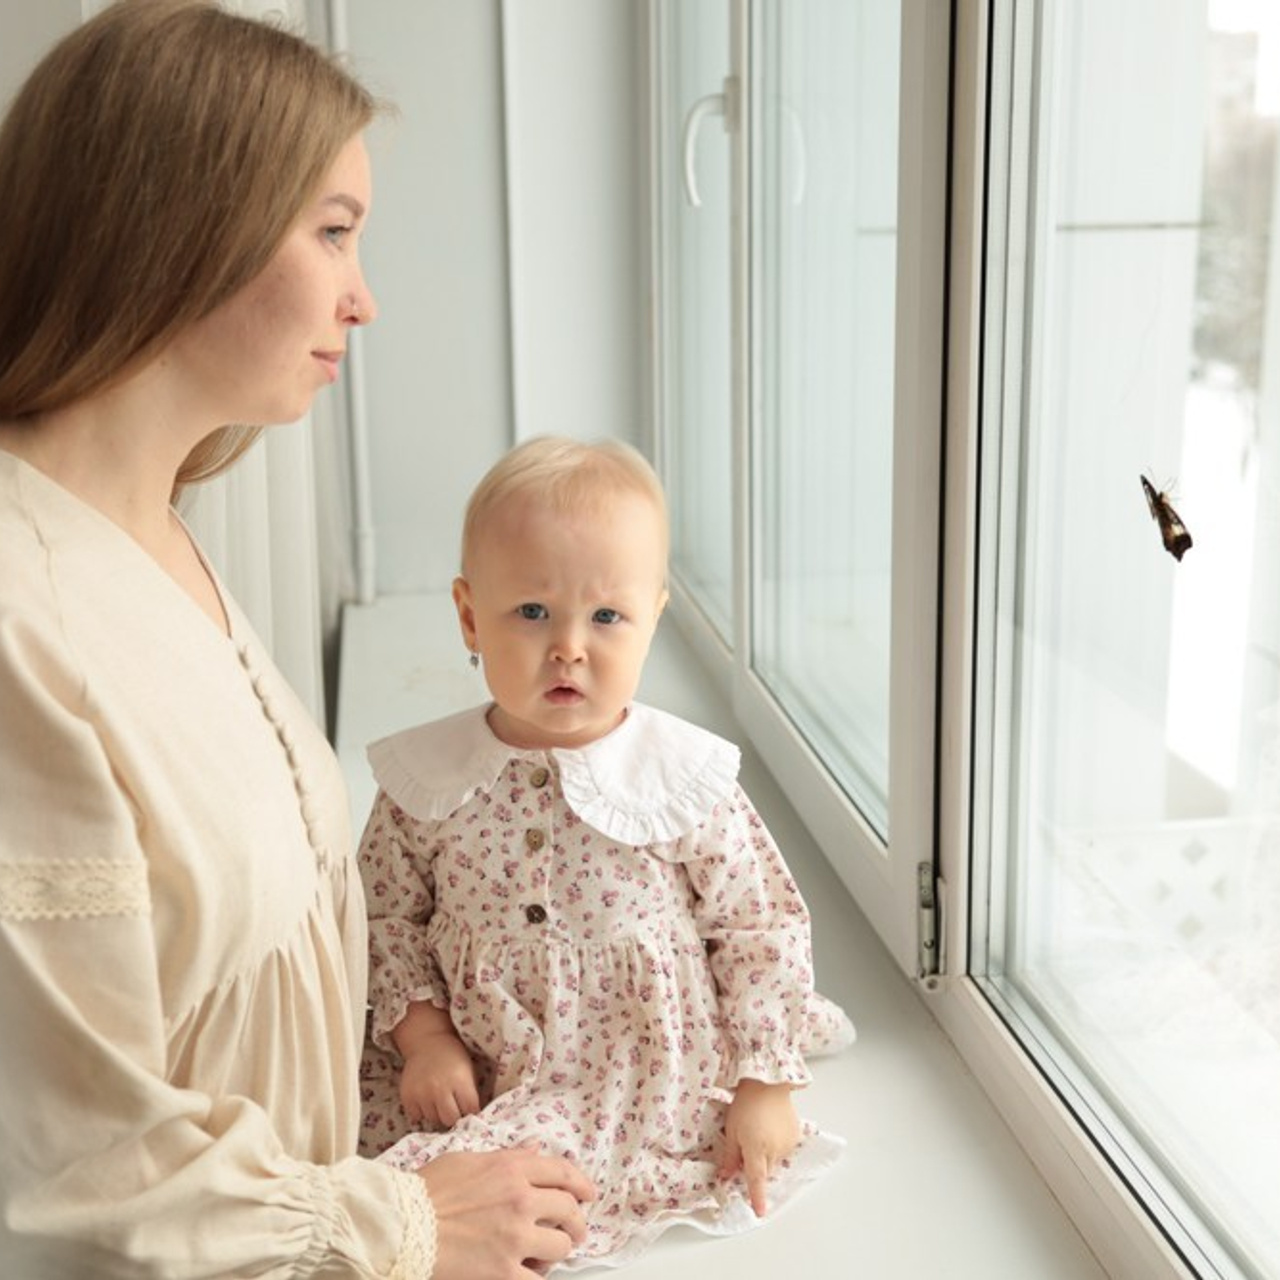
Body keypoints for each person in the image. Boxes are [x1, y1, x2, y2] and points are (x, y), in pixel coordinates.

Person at [0, 3, 593, 1276]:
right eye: (332, 233)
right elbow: (64, 1164)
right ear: (177, 223)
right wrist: (408, 1225)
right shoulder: (18, 617)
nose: (362, 299)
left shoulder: (151, 531)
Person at [357, 436, 855, 1271]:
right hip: (484, 1057)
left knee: (554, 1185)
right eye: (531, 613)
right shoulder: (425, 782)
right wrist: (426, 1038)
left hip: (636, 1055)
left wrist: (766, 1084)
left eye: (606, 617)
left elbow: (757, 922)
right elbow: (385, 918)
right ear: (471, 615)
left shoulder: (681, 778)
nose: (570, 647)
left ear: (651, 618)